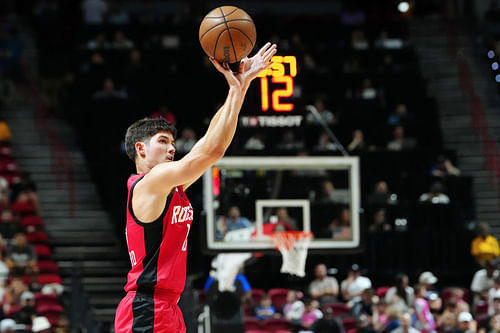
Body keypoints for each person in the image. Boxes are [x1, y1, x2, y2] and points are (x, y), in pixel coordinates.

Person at [114, 42, 277, 333]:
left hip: (166, 307)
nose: (171, 149)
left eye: (173, 143)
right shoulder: (150, 183)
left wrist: (239, 88)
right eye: (162, 142)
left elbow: (210, 142)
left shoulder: (167, 186)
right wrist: (237, 89)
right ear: (140, 148)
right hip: (147, 307)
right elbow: (211, 152)